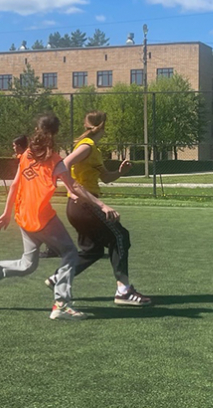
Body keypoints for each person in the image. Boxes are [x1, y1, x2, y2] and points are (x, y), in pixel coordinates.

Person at [0, 113, 118, 320]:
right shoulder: (54, 160)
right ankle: (62, 304)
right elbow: (75, 185)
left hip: (23, 216)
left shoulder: (26, 154)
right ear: (56, 133)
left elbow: (15, 185)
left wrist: (7, 213)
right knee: (70, 253)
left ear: (37, 130)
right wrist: (102, 205)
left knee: (27, 265)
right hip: (41, 218)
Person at [43, 111, 151, 306]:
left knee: (93, 250)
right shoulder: (87, 146)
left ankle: (59, 277)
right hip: (85, 205)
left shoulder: (93, 149)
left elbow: (106, 178)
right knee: (120, 236)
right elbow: (63, 165)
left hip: (78, 207)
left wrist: (120, 172)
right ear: (102, 126)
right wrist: (80, 194)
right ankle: (123, 291)